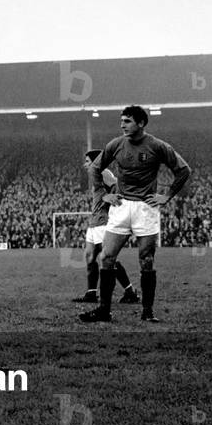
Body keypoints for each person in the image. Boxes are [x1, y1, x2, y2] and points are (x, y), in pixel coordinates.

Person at [80, 106, 191, 323]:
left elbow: (184, 170)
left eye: (128, 121)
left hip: (145, 208)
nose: (122, 125)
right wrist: (103, 194)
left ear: (141, 123)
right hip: (121, 206)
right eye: (121, 121)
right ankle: (104, 310)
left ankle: (147, 312)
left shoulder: (158, 146)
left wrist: (167, 196)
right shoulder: (116, 144)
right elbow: (95, 167)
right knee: (107, 257)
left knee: (146, 260)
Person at [73, 150, 137, 304]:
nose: (85, 164)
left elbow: (117, 187)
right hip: (94, 222)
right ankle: (91, 293)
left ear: (96, 162)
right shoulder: (95, 176)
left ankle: (130, 292)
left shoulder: (104, 173)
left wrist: (112, 202)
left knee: (108, 259)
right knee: (89, 256)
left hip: (103, 222)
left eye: (88, 161)